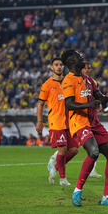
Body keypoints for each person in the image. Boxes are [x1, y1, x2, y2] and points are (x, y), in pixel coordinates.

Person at [61, 49, 108, 206]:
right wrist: (89, 104)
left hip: (94, 122)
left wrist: (106, 98)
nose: (82, 57)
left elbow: (98, 98)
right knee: (93, 152)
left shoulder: (89, 80)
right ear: (71, 62)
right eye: (78, 56)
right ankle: (77, 191)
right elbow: (69, 104)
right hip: (79, 122)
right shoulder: (68, 80)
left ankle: (106, 198)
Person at [36, 57, 79, 185]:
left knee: (74, 150)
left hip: (70, 122)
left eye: (61, 65)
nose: (59, 67)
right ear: (52, 68)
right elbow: (40, 104)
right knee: (62, 149)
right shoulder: (47, 85)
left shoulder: (68, 82)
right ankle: (63, 179)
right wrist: (39, 121)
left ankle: (55, 167)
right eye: (56, 65)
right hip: (56, 122)